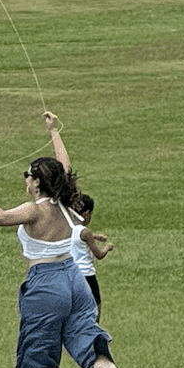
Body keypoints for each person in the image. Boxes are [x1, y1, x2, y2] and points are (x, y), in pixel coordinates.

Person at [0, 151, 148, 368]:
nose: (25, 179)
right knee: (84, 338)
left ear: (37, 182)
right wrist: (53, 131)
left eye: (27, 175)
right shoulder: (67, 207)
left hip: (45, 284)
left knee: (41, 352)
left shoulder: (35, 209)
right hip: (75, 280)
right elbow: (64, 166)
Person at [43, 112, 111, 319]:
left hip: (55, 277)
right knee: (92, 324)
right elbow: (65, 168)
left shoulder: (54, 212)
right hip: (83, 278)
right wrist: (53, 130)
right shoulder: (73, 220)